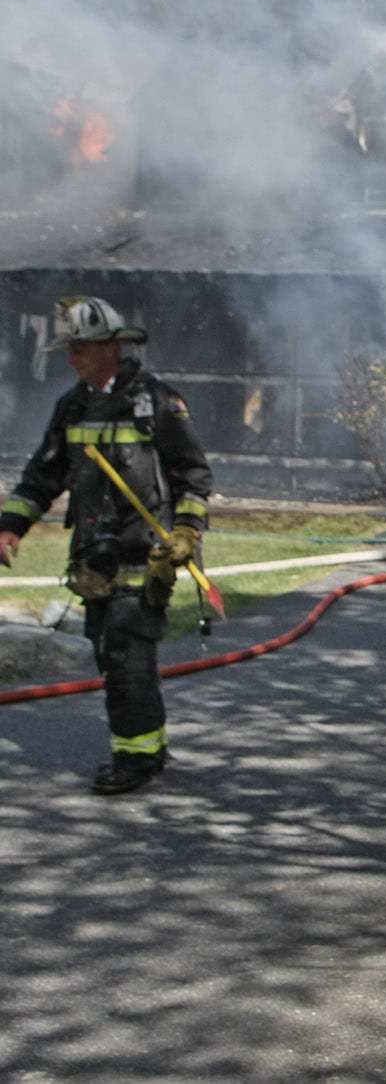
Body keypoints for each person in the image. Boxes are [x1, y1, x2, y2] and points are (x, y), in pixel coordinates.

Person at [0, 296, 213, 795]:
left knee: (123, 652)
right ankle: (149, 745)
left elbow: (193, 476)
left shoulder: (158, 402)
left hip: (146, 555)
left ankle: (133, 757)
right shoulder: (71, 406)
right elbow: (42, 476)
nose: (72, 360)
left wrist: (185, 532)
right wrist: (9, 527)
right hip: (93, 559)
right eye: (69, 351)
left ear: (112, 348)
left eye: (80, 350)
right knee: (112, 653)